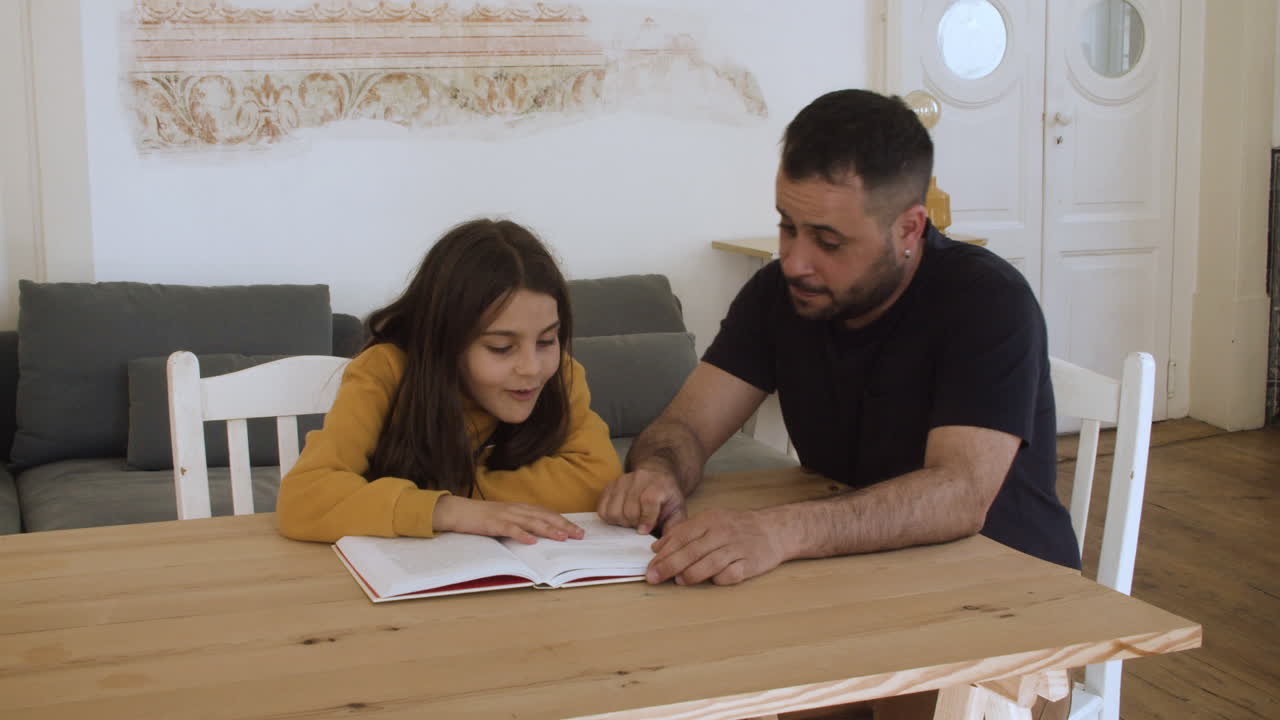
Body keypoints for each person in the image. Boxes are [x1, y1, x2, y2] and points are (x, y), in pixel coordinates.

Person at [598, 88, 1079, 582]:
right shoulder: (779, 294)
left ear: (909, 229)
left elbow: (959, 494)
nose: (794, 262)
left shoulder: (986, 299)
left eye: (828, 242)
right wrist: (657, 473)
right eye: (788, 227)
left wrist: (779, 531)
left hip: (1013, 583)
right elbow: (686, 427)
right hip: (871, 573)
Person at [278, 218, 622, 545]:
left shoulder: (561, 375)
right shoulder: (385, 370)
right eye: (501, 347)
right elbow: (304, 498)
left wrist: (408, 494)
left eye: (547, 341)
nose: (532, 368)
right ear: (446, 341)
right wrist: (447, 510)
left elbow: (596, 481)